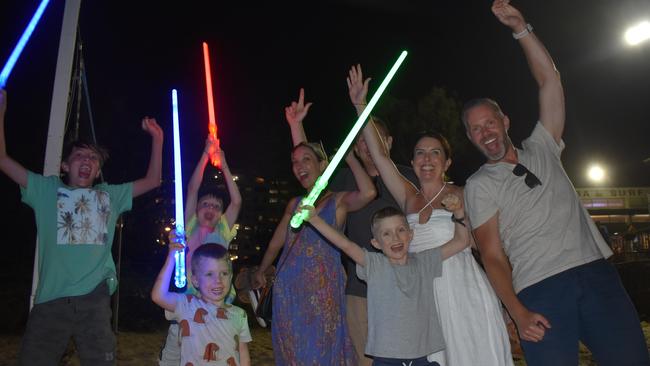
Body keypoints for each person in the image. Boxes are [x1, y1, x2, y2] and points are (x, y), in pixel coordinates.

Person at [462, 1, 650, 365]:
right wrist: (516, 310)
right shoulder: (479, 184)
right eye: (475, 129)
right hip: (539, 289)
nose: (485, 132)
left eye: (489, 122)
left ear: (505, 121)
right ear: (470, 139)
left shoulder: (543, 146)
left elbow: (550, 81)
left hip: (596, 274)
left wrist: (521, 29)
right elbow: (492, 255)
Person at [350, 65, 513, 365]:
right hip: (421, 294)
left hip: (462, 290)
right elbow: (382, 158)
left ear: (447, 161)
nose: (427, 159)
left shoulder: (463, 194)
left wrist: (509, 300)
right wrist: (362, 107)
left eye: (435, 152)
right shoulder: (408, 197)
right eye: (420, 153)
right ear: (412, 161)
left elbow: (487, 249)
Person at [0, 89, 163, 365]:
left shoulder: (110, 195)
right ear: (65, 165)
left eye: (93, 159)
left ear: (98, 171)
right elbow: (3, 160)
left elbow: (152, 181)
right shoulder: (45, 190)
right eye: (79, 156)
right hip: (51, 301)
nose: (87, 161)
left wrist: (158, 139)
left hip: (94, 299)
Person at [284, 87, 418, 365]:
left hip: (405, 287)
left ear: (389, 142)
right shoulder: (344, 180)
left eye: (374, 138)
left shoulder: (407, 178)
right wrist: (296, 126)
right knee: (364, 359)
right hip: (359, 291)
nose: (367, 146)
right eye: (361, 141)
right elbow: (309, 168)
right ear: (355, 147)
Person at [252, 129, 375, 364]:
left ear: (322, 164)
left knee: (322, 351)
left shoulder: (337, 201)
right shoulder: (294, 204)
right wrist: (261, 270)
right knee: (293, 352)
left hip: (323, 292)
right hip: (288, 293)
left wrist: (349, 158)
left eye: (306, 160)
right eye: (294, 162)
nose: (299, 166)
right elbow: (276, 243)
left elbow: (369, 192)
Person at [303, 201, 468, 366]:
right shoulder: (374, 265)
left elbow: (461, 241)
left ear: (410, 234)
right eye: (386, 234)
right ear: (376, 243)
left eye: (401, 230)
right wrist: (315, 220)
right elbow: (346, 245)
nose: (395, 237)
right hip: (386, 359)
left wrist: (459, 212)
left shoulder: (425, 262)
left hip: (421, 358)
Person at [159, 136, 242, 365]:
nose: (210, 209)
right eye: (205, 204)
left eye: (216, 207)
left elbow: (236, 201)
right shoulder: (190, 225)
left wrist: (223, 163)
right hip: (189, 295)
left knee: (212, 348)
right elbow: (193, 188)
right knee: (177, 344)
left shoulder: (223, 230)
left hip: (215, 298)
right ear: (196, 209)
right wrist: (206, 154)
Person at [152, 240, 251, 366]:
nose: (218, 280)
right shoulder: (187, 305)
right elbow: (158, 296)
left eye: (224, 273)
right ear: (195, 281)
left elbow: (243, 355)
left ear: (231, 277)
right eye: (209, 274)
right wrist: (172, 257)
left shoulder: (240, 315)